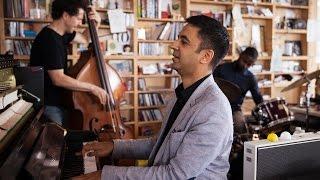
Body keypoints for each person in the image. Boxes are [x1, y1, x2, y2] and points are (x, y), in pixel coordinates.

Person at [75, 15, 233, 180]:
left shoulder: (214, 110)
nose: (173, 45)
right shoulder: (179, 95)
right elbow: (160, 145)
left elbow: (175, 174)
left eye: (184, 42)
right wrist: (113, 147)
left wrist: (103, 175)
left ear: (206, 56)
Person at [30, 0, 107, 126]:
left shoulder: (61, 34)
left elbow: (85, 39)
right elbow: (58, 79)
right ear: (65, 16)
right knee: (55, 144)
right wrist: (92, 88)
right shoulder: (50, 40)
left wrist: (96, 23)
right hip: (49, 106)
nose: (79, 23)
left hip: (60, 103)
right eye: (78, 19)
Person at [213, 47, 263, 134]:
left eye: (249, 64)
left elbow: (258, 98)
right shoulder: (222, 69)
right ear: (241, 55)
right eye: (244, 61)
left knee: (241, 127)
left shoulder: (250, 78)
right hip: (215, 106)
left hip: (234, 108)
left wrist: (263, 110)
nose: (245, 65)